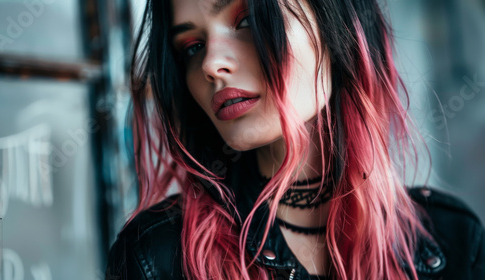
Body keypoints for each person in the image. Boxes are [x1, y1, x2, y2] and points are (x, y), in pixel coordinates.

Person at [106, 0, 485, 279]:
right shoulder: (158, 255)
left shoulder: (453, 241)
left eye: (249, 21)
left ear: (337, 23)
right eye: (192, 47)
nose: (210, 65)